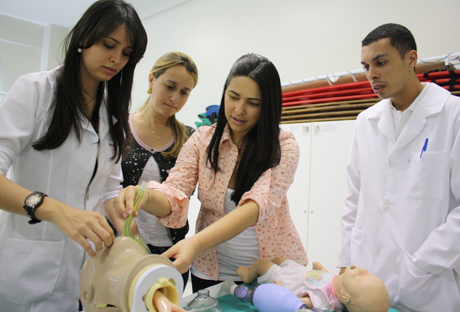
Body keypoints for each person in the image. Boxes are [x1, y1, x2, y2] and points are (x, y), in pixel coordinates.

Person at [115, 54, 307, 293]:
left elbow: (255, 207)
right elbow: (175, 191)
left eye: (253, 103)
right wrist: (144, 197)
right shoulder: (202, 140)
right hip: (210, 269)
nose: (239, 109)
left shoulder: (284, 146)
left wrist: (194, 243)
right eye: (233, 97)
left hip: (273, 271)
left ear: (268, 106)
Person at [0, 0, 147, 311]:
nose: (116, 59)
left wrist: (125, 222)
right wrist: (54, 209)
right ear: (84, 37)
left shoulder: (113, 110)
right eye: (109, 45)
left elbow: (107, 188)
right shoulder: (35, 91)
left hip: (88, 268)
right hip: (31, 265)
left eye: (126, 53)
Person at [337, 23, 460, 312]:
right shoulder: (365, 122)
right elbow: (354, 198)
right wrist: (345, 261)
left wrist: (422, 263)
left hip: (425, 285)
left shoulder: (452, 116)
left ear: (410, 59)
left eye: (381, 62)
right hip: (366, 278)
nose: (372, 74)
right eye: (366, 66)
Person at [105, 51, 198, 286]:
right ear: (151, 80)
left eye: (184, 92)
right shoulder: (117, 129)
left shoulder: (189, 138)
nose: (175, 98)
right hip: (121, 245)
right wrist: (128, 233)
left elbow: (183, 196)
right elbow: (103, 187)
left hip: (170, 252)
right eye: (170, 86)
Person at [237, 257, 390, 312]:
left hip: (285, 281)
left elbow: (300, 302)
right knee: (278, 258)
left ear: (345, 296)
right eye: (368, 272)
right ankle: (274, 263)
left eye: (362, 277)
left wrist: (281, 292)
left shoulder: (324, 301)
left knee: (261, 264)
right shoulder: (339, 284)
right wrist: (321, 269)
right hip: (299, 271)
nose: (363, 271)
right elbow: (329, 278)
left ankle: (248, 277)